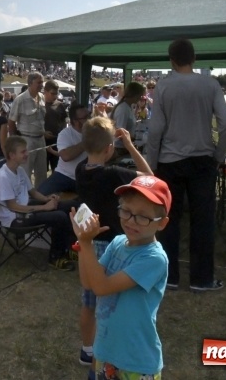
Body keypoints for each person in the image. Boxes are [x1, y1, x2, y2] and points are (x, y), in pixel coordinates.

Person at [147, 39, 226, 291]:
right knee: (203, 221)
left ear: (171, 60)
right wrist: (218, 155)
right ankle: (202, 279)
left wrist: (151, 164)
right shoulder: (210, 84)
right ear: (194, 58)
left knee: (168, 220)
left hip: (170, 161)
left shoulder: (163, 86)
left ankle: (169, 277)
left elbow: (155, 130)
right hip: (203, 159)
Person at [71, 175, 170, 379]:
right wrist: (82, 242)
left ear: (162, 223)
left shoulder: (154, 259)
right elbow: (88, 282)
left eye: (142, 217)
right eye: (126, 211)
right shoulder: (117, 243)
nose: (131, 221)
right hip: (105, 351)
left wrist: (87, 244)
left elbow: (101, 287)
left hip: (135, 361)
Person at [73, 116, 152, 371]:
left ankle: (87, 349)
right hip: (110, 246)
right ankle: (107, 352)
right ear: (109, 149)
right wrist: (129, 145)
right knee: (109, 304)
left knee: (89, 302)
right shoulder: (113, 174)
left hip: (87, 244)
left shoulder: (80, 170)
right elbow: (150, 178)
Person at [0, 136, 76, 271]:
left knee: (70, 205)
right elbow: (13, 207)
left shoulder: (19, 170)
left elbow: (32, 192)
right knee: (59, 216)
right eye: (23, 152)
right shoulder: (2, 176)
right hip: (14, 219)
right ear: (12, 155)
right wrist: (44, 207)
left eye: (26, 150)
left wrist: (47, 199)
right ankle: (56, 257)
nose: (27, 154)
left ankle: (69, 248)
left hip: (25, 209)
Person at [38, 102, 89, 196]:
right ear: (75, 121)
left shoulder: (95, 132)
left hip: (86, 178)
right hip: (64, 175)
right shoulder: (65, 134)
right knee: (40, 194)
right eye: (85, 117)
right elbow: (65, 156)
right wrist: (87, 142)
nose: (89, 119)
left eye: (89, 115)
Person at [8, 71, 48, 188]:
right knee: (26, 171)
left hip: (41, 139)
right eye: (39, 82)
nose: (41, 85)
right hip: (26, 140)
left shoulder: (42, 97)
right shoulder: (20, 99)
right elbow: (11, 121)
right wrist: (16, 142)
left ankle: (41, 194)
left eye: (42, 82)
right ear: (30, 83)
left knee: (42, 171)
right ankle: (25, 195)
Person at [110, 82, 146, 160]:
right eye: (140, 95)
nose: (140, 98)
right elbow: (120, 132)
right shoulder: (123, 109)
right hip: (120, 149)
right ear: (135, 95)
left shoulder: (128, 107)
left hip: (125, 147)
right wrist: (134, 140)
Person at [43, 79, 68, 173]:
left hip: (57, 141)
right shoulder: (39, 105)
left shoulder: (59, 105)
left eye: (56, 94)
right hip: (42, 141)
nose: (55, 96)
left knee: (57, 168)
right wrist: (42, 133)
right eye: (52, 93)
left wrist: (63, 133)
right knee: (42, 169)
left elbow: (64, 120)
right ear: (45, 92)